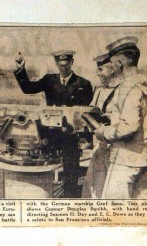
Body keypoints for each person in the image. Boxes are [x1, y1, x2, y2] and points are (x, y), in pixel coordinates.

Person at [14, 50, 93, 198]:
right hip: (51, 136)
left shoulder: (83, 84)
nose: (64, 68)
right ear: (56, 64)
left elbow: (85, 115)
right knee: (42, 167)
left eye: (66, 64)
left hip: (70, 136)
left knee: (71, 174)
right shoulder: (49, 80)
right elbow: (28, 89)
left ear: (72, 63)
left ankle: (69, 203)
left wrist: (85, 138)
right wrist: (21, 69)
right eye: (60, 65)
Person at [93, 37, 147, 199]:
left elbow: (130, 125)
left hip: (124, 159)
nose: (112, 68)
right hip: (141, 157)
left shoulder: (128, 86)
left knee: (114, 210)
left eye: (113, 64)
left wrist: (104, 132)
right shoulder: (145, 83)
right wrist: (112, 117)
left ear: (120, 63)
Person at [81, 53, 122, 198]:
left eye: (100, 69)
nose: (97, 74)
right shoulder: (99, 90)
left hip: (116, 146)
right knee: (93, 188)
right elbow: (93, 112)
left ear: (112, 69)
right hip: (100, 145)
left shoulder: (122, 90)